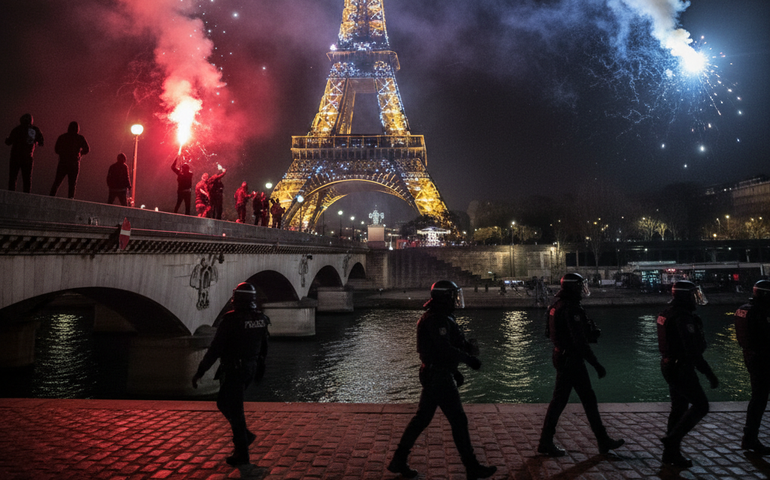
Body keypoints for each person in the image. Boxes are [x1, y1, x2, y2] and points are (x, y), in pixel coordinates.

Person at [387, 280, 497, 480]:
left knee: (421, 419)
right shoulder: (438, 320)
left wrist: (454, 371)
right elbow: (444, 348)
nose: (455, 299)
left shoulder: (437, 317)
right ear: (445, 297)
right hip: (438, 377)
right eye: (453, 295)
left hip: (434, 373)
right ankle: (471, 466)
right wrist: (469, 360)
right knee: (458, 421)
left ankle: (399, 459)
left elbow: (437, 352)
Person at [538, 273, 624, 457]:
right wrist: (596, 363)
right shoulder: (572, 308)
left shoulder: (555, 305)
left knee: (561, 401)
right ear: (574, 287)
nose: (583, 290)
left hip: (561, 355)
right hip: (572, 360)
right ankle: (602, 441)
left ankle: (547, 441)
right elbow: (579, 342)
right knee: (584, 401)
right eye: (580, 286)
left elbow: (550, 333)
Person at [192, 282, 270, 466]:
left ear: (236, 299)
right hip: (250, 367)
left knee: (235, 411)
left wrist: (201, 370)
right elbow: (264, 347)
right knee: (224, 403)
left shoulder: (231, 320)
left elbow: (216, 348)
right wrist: (260, 368)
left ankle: (242, 452)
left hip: (235, 369)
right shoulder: (261, 319)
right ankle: (245, 435)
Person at [657, 280, 718, 468]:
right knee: (701, 406)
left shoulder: (666, 313)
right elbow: (692, 351)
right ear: (686, 296)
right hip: (681, 367)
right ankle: (672, 440)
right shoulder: (683, 317)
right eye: (693, 294)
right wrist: (709, 374)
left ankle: (670, 454)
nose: (695, 298)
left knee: (679, 408)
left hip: (669, 365)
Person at [734, 279, 770, 455]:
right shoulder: (761, 312)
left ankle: (750, 437)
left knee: (758, 398)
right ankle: (750, 438)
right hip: (764, 359)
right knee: (759, 399)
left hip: (751, 357)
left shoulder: (743, 309)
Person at [50, 121, 90, 198]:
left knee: (57, 182)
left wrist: (63, 154)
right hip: (74, 163)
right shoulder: (80, 138)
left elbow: (56, 149)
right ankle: (70, 201)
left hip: (63, 162)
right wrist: (80, 154)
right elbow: (87, 149)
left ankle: (50, 198)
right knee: (72, 184)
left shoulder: (62, 137)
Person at [5, 113, 44, 193]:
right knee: (27, 179)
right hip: (28, 157)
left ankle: (11, 196)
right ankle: (26, 197)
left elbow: (8, 142)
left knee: (13, 178)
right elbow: (41, 142)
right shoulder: (35, 130)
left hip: (15, 157)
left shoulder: (17, 129)